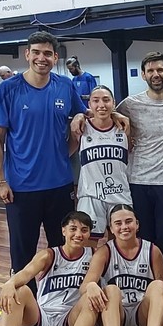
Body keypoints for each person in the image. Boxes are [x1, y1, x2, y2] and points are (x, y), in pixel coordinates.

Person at [0, 31, 88, 282]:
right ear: (27, 54)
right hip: (21, 189)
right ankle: (25, 317)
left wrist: (79, 116)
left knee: (63, 252)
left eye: (47, 53)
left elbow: (85, 115)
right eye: (36, 52)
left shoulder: (64, 86)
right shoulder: (8, 89)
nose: (41, 58)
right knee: (22, 257)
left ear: (55, 57)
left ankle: (59, 308)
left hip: (60, 186)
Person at [111, 51, 163, 266]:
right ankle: (147, 284)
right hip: (138, 181)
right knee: (143, 236)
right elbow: (105, 114)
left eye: (160, 70)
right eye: (150, 70)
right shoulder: (130, 104)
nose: (155, 74)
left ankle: (162, 283)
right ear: (143, 75)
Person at [77, 204, 163, 326]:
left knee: (158, 285)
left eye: (129, 221)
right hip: (116, 317)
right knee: (110, 289)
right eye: (118, 223)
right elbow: (84, 286)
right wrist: (91, 286)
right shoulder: (104, 252)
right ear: (111, 228)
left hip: (142, 316)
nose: (124, 227)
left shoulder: (153, 251)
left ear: (137, 224)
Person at [70, 85, 131, 241]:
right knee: (88, 244)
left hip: (119, 193)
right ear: (89, 105)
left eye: (106, 100)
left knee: (120, 244)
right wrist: (79, 115)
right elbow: (68, 151)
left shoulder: (123, 127)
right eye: (95, 101)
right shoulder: (81, 128)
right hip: (90, 196)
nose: (101, 105)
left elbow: (131, 150)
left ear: (114, 103)